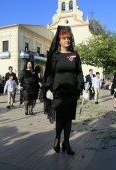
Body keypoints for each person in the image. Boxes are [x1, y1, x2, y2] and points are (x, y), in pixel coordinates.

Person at [42, 26, 84, 155]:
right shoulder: (55, 56)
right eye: (64, 38)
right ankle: (57, 137)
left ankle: (66, 142)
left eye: (68, 38)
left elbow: (79, 73)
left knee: (69, 118)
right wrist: (48, 88)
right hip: (58, 91)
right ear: (59, 40)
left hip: (72, 91)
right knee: (60, 118)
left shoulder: (74, 55)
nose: (67, 40)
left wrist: (81, 86)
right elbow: (49, 73)